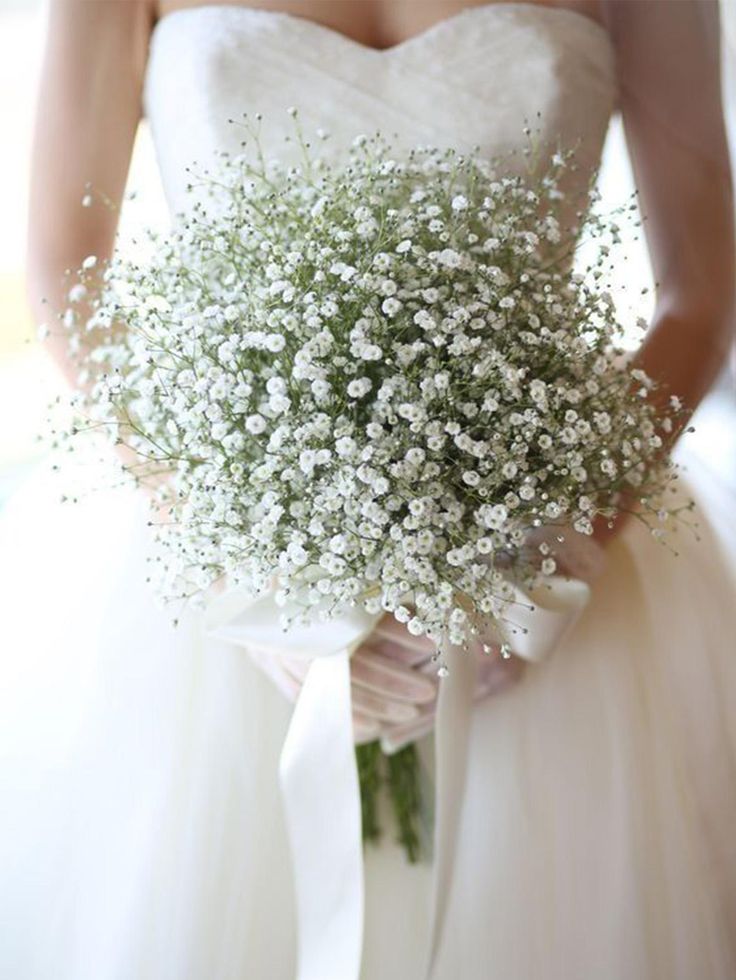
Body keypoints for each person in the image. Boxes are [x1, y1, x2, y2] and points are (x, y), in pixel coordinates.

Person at [3, 1, 735, 977]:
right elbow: (67, 274)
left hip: (545, 564)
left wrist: (558, 544)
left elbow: (698, 287)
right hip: (211, 565)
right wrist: (234, 556)